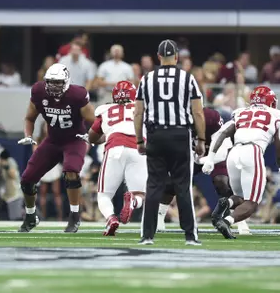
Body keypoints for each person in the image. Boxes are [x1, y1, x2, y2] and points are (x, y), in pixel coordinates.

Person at [134, 39, 205, 246]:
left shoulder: (146, 79)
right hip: (180, 135)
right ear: (176, 57)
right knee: (182, 186)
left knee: (154, 185)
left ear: (158, 57)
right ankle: (190, 235)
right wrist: (201, 139)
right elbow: (198, 112)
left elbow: (138, 113)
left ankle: (147, 235)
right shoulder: (187, 78)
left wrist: (139, 139)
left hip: (156, 135)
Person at [17, 63, 95, 233]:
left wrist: (92, 137)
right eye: (51, 82)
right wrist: (29, 136)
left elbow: (95, 120)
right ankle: (31, 216)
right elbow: (30, 118)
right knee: (27, 179)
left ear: (66, 81)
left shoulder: (77, 94)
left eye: (58, 82)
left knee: (71, 171)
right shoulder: (39, 92)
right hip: (52, 140)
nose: (54, 86)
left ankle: (74, 215)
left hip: (75, 140)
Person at [157, 107, 251, 235]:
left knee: (222, 182)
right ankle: (159, 216)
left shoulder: (211, 118)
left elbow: (223, 151)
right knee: (172, 182)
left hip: (215, 152)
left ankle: (238, 219)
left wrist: (207, 160)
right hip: (191, 154)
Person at [202, 86, 280, 239]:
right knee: (252, 203)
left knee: (240, 197)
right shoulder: (276, 114)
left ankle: (227, 203)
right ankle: (226, 220)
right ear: (271, 102)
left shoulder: (241, 111)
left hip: (234, 152)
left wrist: (211, 157)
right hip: (253, 150)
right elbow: (279, 143)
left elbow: (222, 133)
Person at [77, 81, 146, 236]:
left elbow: (93, 136)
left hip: (114, 148)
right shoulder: (143, 108)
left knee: (104, 195)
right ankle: (134, 202)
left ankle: (110, 218)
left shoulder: (106, 109)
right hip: (138, 148)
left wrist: (105, 136)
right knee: (141, 194)